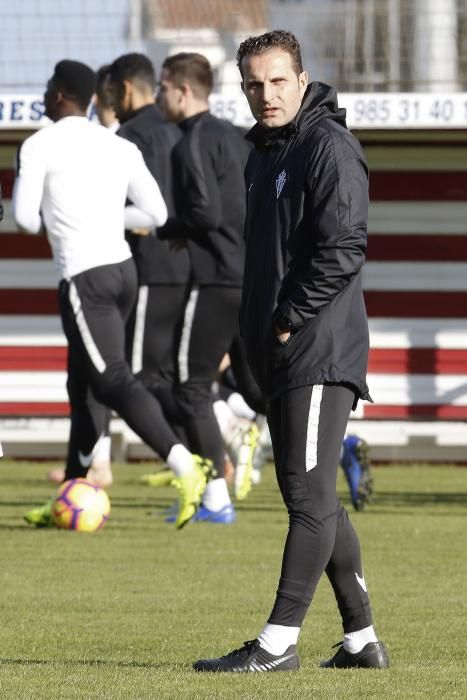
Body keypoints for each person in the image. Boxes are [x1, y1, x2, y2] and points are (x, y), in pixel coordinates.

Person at [193, 30, 388, 672]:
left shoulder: (328, 146)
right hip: (285, 353)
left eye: (278, 81)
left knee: (306, 498)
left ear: (302, 81)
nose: (266, 93)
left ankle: (276, 645)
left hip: (317, 348)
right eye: (254, 83)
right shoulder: (266, 153)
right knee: (316, 497)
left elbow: (343, 248)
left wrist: (286, 321)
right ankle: (360, 641)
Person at [13, 59, 212, 530]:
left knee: (113, 381)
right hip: (123, 272)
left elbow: (23, 219)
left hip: (86, 278)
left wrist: (64, 223)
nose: (44, 94)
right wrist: (104, 219)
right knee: (83, 390)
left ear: (60, 95)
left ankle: (187, 466)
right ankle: (70, 494)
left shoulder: (38, 144)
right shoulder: (116, 143)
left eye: (47, 87)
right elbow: (157, 212)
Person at [156, 52, 251, 524]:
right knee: (257, 387)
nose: (158, 97)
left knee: (189, 387)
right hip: (250, 279)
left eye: (162, 87)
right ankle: (342, 446)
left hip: (214, 280)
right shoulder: (235, 138)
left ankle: (215, 497)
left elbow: (205, 214)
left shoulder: (189, 142)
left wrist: (166, 229)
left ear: (182, 90)